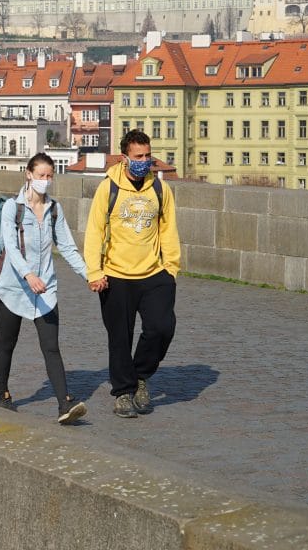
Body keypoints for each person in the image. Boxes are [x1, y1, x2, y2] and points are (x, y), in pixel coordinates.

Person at [83, 129, 181, 418]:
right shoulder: (108, 187)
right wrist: (94, 272)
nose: (144, 161)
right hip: (115, 275)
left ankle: (141, 375)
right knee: (119, 337)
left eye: (148, 155)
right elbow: (94, 231)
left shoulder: (160, 189)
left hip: (154, 273)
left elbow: (169, 229)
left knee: (162, 328)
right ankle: (123, 393)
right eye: (139, 156)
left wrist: (171, 268)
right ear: (125, 158)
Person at [0, 153, 93, 425]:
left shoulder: (54, 209)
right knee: (7, 343)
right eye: (41, 176)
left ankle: (64, 404)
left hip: (45, 288)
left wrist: (89, 275)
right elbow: (10, 247)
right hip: (13, 287)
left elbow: (68, 247)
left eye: (50, 176)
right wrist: (28, 274)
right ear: (28, 174)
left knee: (51, 346)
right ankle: (1, 394)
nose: (45, 181)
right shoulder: (14, 207)